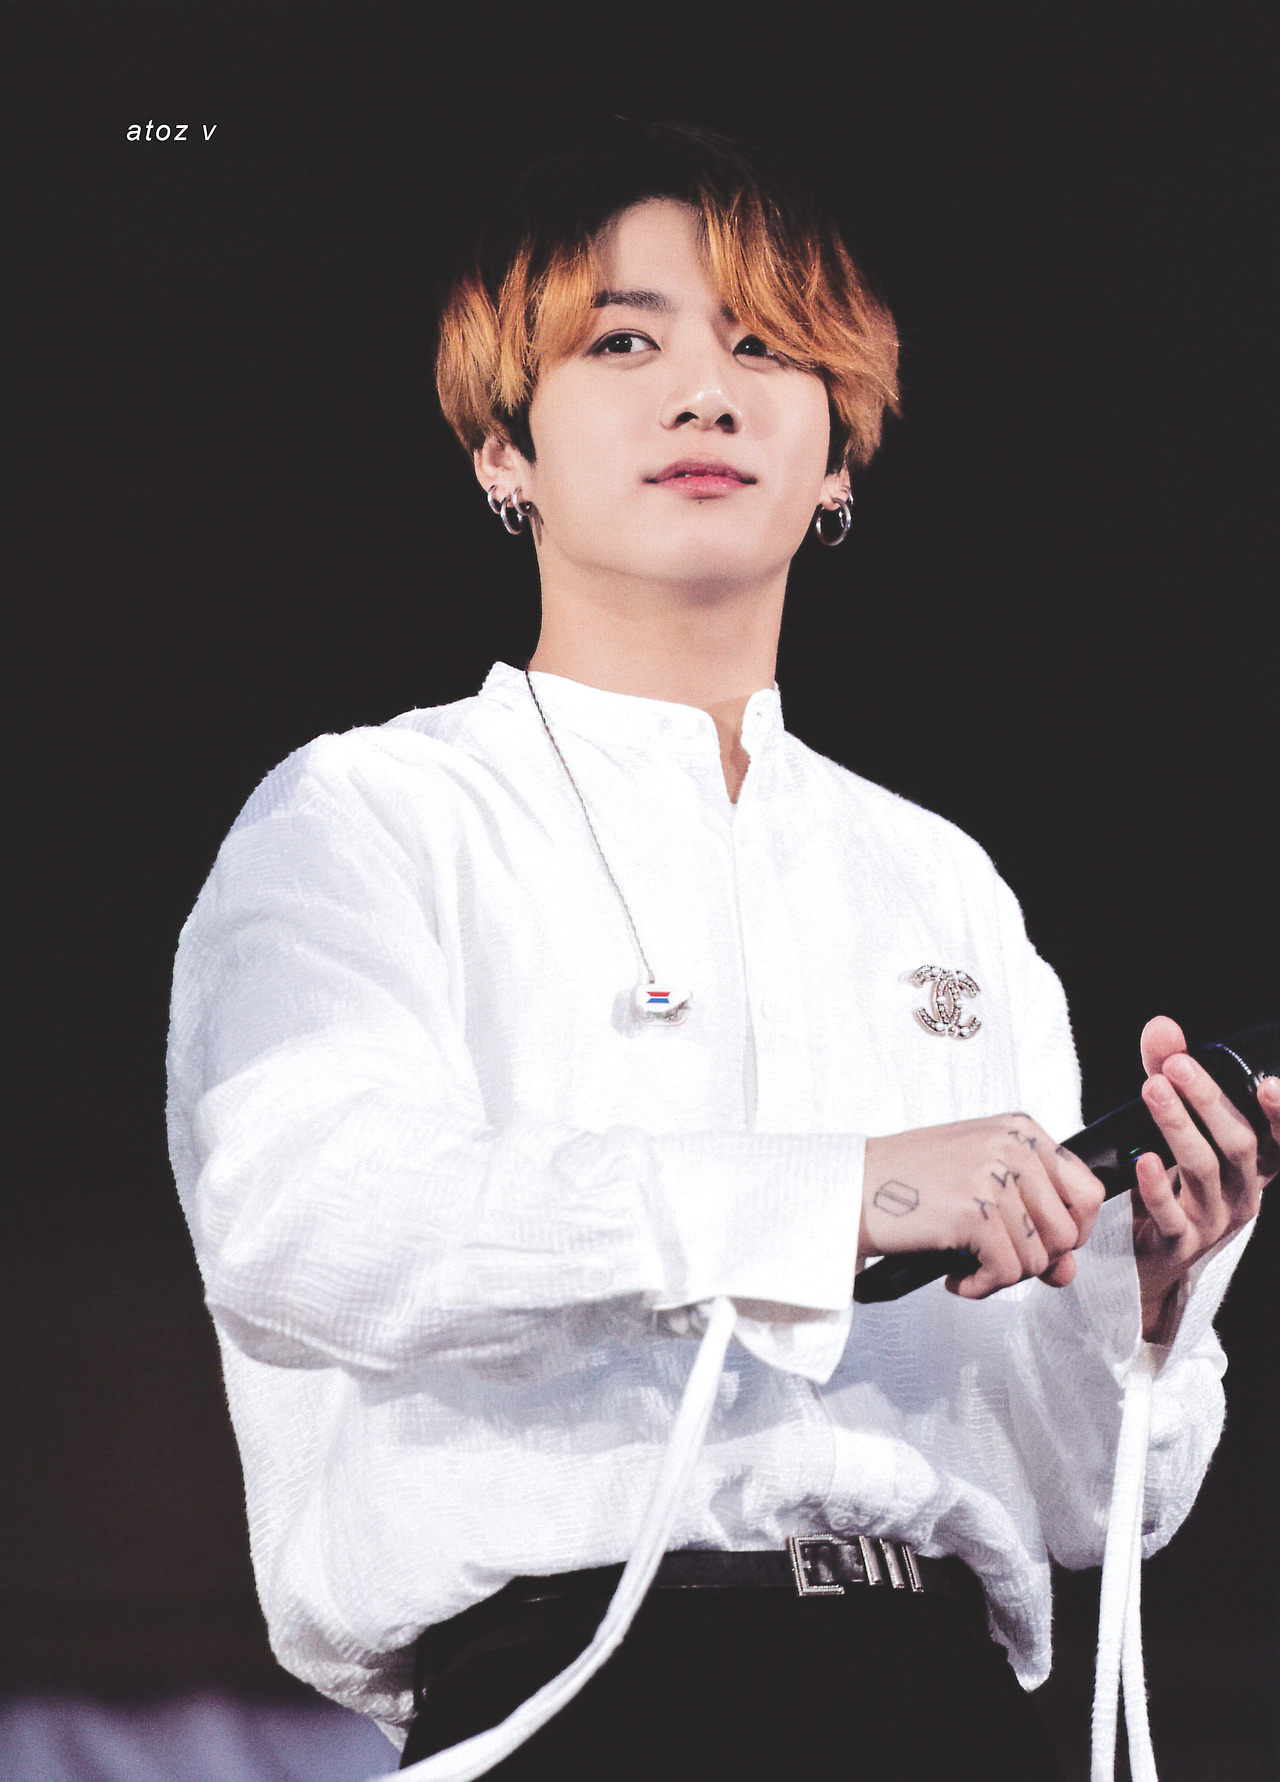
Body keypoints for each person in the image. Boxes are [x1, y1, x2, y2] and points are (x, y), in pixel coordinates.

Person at [165, 120, 1278, 1781]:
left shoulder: (939, 882)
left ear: (839, 458)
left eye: (763, 347)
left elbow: (1071, 1492)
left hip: (949, 1701)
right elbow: (303, 1216)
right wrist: (832, 1194)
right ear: (501, 446)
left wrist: (1145, 1294)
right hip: (583, 1694)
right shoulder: (371, 812)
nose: (704, 392)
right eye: (625, 343)